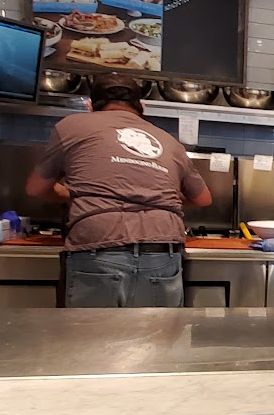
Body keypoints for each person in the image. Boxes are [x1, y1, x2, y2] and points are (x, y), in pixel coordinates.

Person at [28, 72, 213, 307]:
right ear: (142, 108)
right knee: (158, 331)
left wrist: (71, 194)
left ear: (90, 106)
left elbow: (36, 188)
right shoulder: (169, 141)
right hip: (162, 249)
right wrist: (159, 200)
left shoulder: (71, 125)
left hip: (98, 246)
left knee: (93, 332)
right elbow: (203, 198)